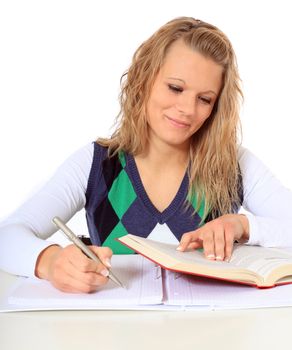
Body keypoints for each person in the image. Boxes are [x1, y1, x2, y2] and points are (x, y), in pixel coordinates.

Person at [1, 16, 292, 294]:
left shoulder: (236, 165)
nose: (188, 109)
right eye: (175, 88)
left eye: (205, 99)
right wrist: (50, 262)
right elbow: (7, 236)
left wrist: (243, 225)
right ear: (144, 79)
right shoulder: (97, 164)